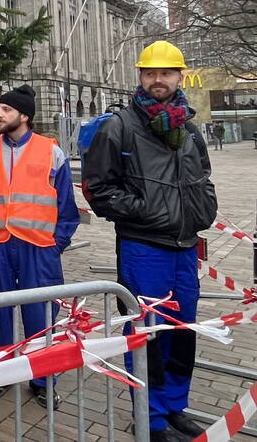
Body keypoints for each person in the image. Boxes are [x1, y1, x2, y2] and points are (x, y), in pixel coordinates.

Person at [82, 40, 217, 442]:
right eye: (149, 73)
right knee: (146, 333)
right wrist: (148, 211)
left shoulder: (189, 130)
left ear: (179, 76)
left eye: (165, 73)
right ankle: (151, 417)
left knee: (182, 330)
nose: (157, 80)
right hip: (144, 248)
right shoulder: (119, 126)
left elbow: (202, 179)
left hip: (184, 247)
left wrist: (201, 212)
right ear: (140, 76)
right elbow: (98, 189)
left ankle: (176, 406)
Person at [0, 84, 79, 408]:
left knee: (40, 315)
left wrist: (57, 244)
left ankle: (43, 378)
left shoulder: (51, 152)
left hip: (38, 247)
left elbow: (67, 206)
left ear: (24, 116)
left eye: (6, 110)